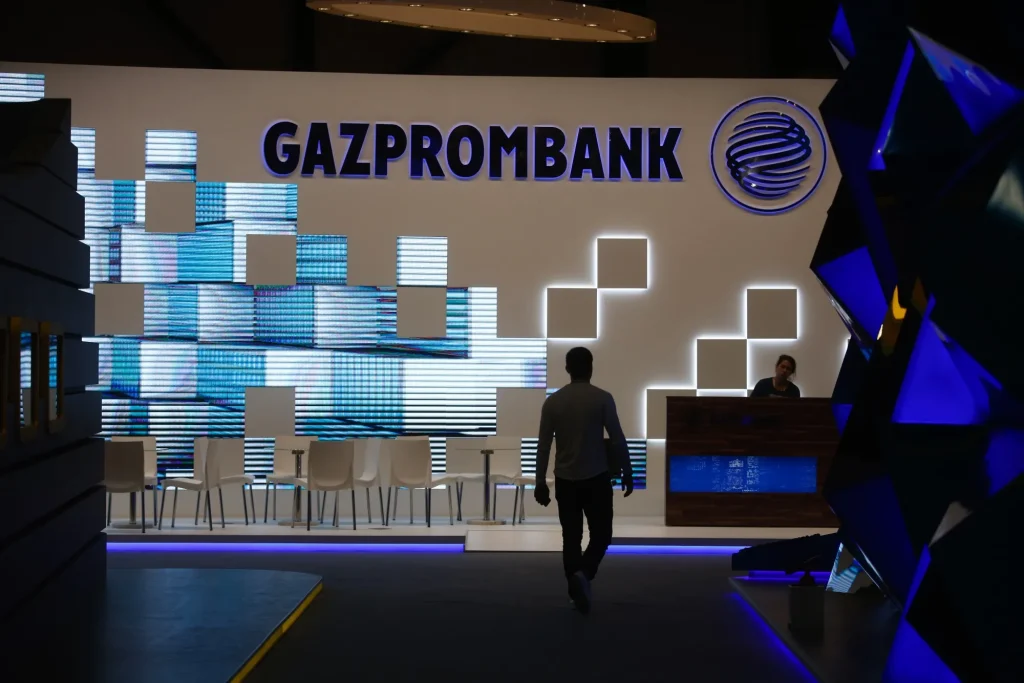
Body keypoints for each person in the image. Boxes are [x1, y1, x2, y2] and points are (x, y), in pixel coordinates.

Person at [534, 347, 633, 615]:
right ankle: (584, 575)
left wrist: (540, 481)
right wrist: (627, 470)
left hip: (565, 480)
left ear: (567, 368)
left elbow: (544, 446)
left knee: (571, 537)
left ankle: (575, 591)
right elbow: (617, 439)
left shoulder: (553, 402)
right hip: (597, 477)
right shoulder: (602, 398)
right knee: (602, 534)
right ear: (591, 367)